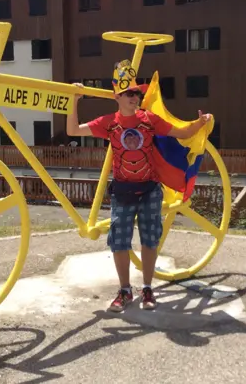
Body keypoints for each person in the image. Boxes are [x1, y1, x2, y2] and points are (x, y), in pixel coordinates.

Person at [66, 62, 212, 312]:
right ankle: (124, 291)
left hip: (149, 190)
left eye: (137, 93)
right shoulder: (109, 122)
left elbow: (180, 132)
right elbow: (72, 130)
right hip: (123, 191)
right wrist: (74, 100)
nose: (135, 97)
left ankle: (147, 289)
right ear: (117, 96)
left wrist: (200, 123)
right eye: (130, 93)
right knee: (119, 242)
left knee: (149, 241)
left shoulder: (149, 120)